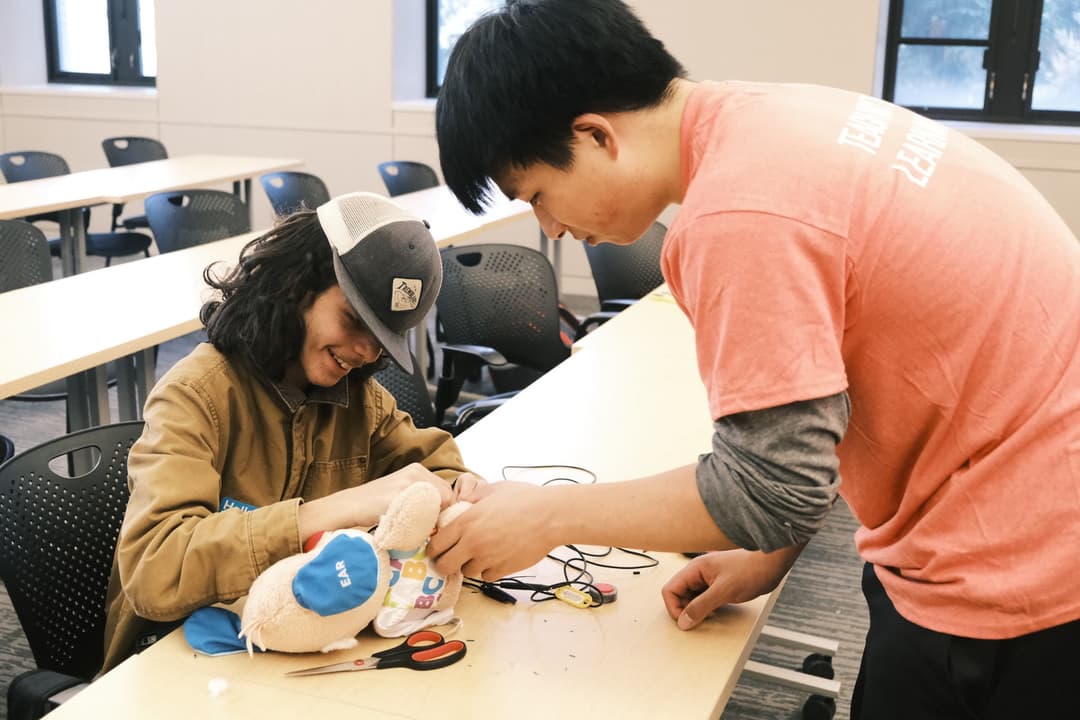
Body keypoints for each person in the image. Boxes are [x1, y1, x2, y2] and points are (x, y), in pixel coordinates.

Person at [427, 1, 1080, 716]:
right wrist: (770, 551)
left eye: (540, 197)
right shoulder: (777, 117)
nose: (552, 227)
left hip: (1017, 567)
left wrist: (546, 518)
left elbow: (769, 488)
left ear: (594, 135)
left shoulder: (738, 212)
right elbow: (855, 374)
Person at [101, 192, 485, 672]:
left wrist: (459, 494)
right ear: (296, 286)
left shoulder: (359, 401)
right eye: (353, 320)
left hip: (296, 648)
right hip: (179, 657)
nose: (366, 353)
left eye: (383, 338)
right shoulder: (195, 396)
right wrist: (335, 510)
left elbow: (438, 466)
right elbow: (153, 568)